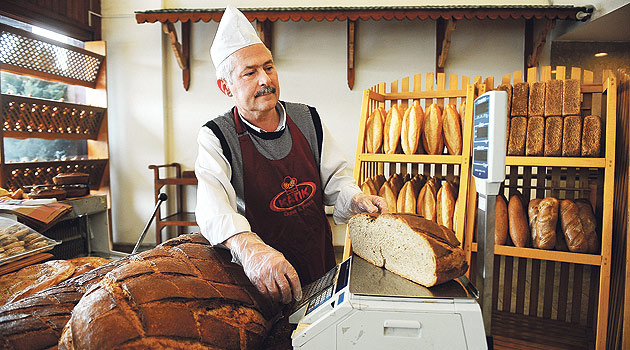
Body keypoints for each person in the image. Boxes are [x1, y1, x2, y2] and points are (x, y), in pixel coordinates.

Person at [195, 5, 387, 306]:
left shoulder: (307, 118)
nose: (264, 79)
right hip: (263, 278)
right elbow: (212, 209)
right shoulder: (216, 136)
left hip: (318, 262)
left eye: (268, 67)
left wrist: (355, 198)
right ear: (225, 87)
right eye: (250, 72)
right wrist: (250, 250)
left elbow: (336, 179)